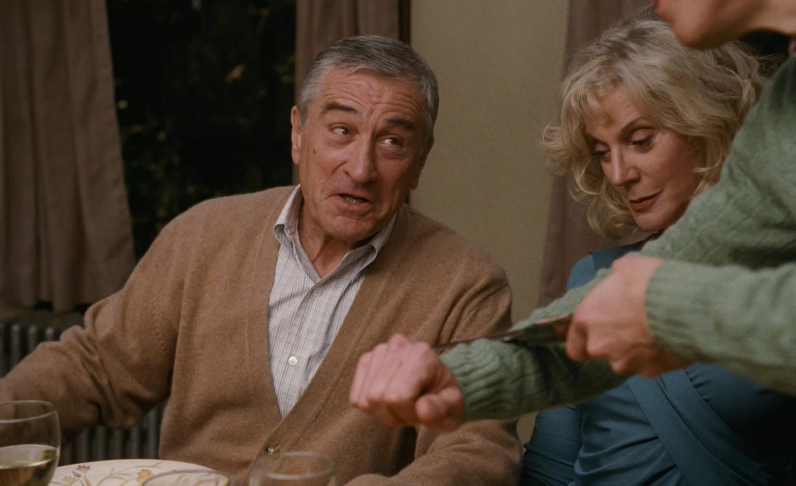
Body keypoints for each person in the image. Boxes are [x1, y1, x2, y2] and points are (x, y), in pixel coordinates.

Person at [0, 36, 522, 485]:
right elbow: (94, 367)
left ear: (420, 161)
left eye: (392, 142)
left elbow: (475, 452)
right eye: (341, 131)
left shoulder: (465, 285)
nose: (360, 168)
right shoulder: (202, 236)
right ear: (298, 133)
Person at [349, 0, 796, 435]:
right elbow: (672, 267)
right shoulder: (794, 108)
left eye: (641, 140)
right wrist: (460, 376)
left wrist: (664, 309)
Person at [515, 15, 796, 486]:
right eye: (602, 151)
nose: (619, 174)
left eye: (641, 141)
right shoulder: (591, 278)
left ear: (707, 125)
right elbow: (550, 467)